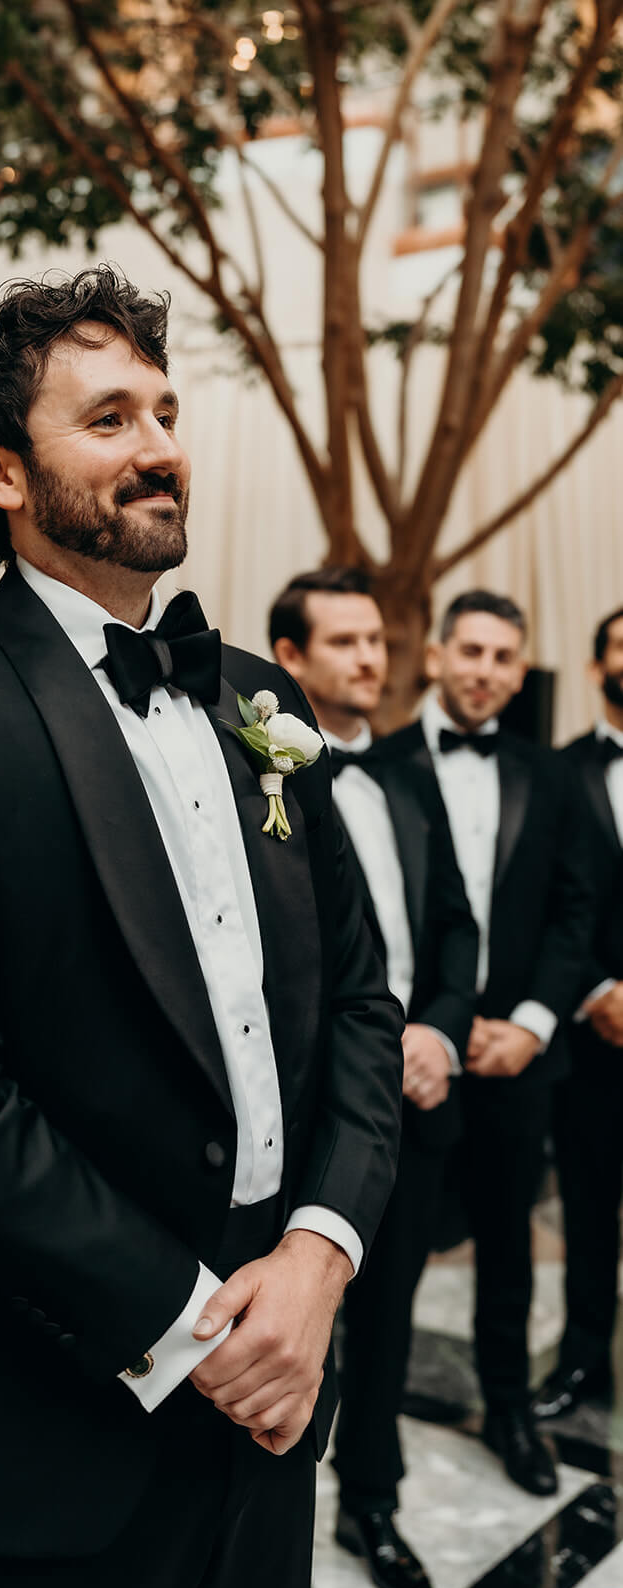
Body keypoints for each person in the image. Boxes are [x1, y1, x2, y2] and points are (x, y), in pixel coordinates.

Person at [0, 267, 404, 1588]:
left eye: (168, 413)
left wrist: (314, 1259)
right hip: (33, 1416)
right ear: (1, 469)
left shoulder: (258, 699)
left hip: (273, 1409)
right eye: (110, 419)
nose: (161, 449)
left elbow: (358, 1000)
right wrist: (196, 1332)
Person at [270, 568, 477, 1588]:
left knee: (387, 1318)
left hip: (413, 1103)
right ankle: (265, 1526)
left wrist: (439, 1029)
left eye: (376, 643)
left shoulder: (407, 781)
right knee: (290, 1321)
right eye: (343, 642)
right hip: (307, 1112)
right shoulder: (252, 780)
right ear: (289, 659)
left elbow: (453, 928)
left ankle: (373, 1499)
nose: (368, 659)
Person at [374, 591, 593, 1498]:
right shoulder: (375, 768)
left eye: (505, 657)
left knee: (508, 1247)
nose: (485, 672)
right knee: (387, 1267)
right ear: (434, 655)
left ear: (520, 668)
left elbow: (574, 913)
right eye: (470, 651)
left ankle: (508, 1411)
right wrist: (420, 1029)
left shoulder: (552, 778)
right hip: (411, 1062)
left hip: (513, 1057)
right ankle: (368, 1453)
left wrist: (534, 1025)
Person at [533, 606, 623, 1420]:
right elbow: (551, 904)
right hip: (596, 1039)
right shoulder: (560, 774)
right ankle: (583, 1363)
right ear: (598, 666)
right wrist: (596, 992)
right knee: (589, 1210)